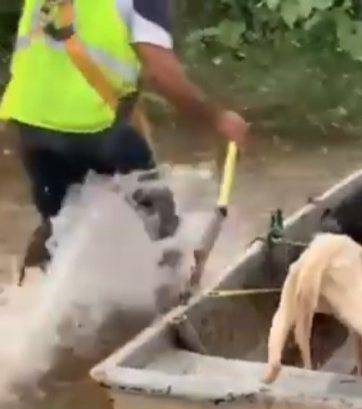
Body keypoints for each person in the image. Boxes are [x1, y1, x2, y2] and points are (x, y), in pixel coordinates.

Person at [0, 0, 250, 282]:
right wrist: (216, 119)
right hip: (91, 126)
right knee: (157, 221)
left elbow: (72, 51)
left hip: (30, 126)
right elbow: (160, 71)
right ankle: (175, 290)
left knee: (61, 226)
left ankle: (47, 301)